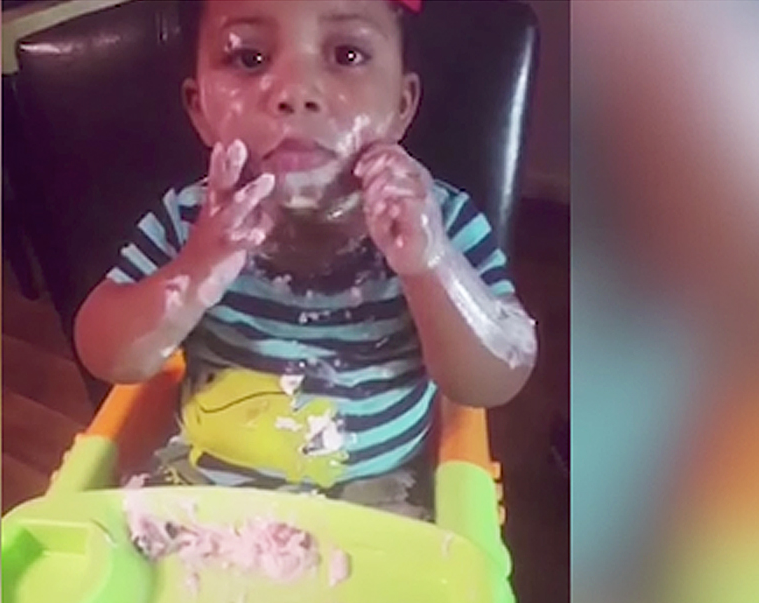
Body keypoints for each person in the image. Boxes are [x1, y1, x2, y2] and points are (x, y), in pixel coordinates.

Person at [75, 0, 536, 519]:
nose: (296, 92)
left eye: (347, 54)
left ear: (402, 105)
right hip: (208, 495)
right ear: (200, 109)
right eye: (249, 58)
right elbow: (106, 354)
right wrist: (194, 274)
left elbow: (496, 377)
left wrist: (432, 264)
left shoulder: (438, 223)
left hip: (377, 503)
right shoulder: (189, 223)